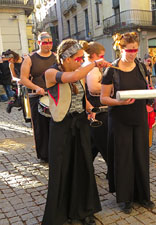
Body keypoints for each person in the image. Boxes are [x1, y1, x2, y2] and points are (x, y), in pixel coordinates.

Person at [42, 39, 110, 225]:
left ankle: (84, 210)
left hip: (80, 125)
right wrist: (94, 64)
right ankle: (62, 213)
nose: (81, 61)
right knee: (62, 169)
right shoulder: (51, 72)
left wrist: (89, 109)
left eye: (82, 59)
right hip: (61, 127)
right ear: (66, 58)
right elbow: (70, 79)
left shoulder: (78, 73)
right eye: (78, 58)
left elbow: (82, 96)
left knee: (83, 167)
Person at [101, 32, 154, 214]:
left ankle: (143, 196)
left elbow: (146, 90)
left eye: (135, 50)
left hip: (139, 118)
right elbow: (103, 98)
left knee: (141, 156)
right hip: (119, 119)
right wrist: (119, 102)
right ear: (120, 49)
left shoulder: (141, 67)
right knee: (124, 159)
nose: (132, 53)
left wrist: (154, 96)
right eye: (129, 50)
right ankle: (125, 199)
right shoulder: (111, 70)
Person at [20, 32, 56, 162]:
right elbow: (23, 78)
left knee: (55, 124)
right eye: (45, 42)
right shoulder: (30, 58)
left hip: (55, 94)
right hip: (37, 96)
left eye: (50, 42)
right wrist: (36, 88)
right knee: (41, 126)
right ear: (39, 43)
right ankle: (44, 154)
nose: (48, 45)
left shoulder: (56, 57)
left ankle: (56, 152)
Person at [80, 40, 108, 164]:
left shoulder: (87, 65)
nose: (103, 59)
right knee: (102, 141)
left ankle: (85, 169)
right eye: (101, 56)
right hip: (96, 106)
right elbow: (93, 87)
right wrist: (110, 87)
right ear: (94, 56)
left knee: (93, 143)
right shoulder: (93, 68)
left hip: (92, 105)